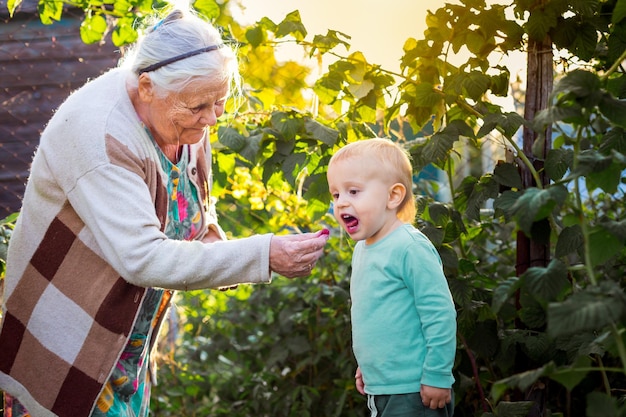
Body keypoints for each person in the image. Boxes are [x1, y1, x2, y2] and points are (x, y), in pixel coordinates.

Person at [0, 8, 329, 417]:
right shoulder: (99, 135)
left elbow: (185, 198)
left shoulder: (182, 113)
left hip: (125, 342)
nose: (211, 120)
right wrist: (263, 255)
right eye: (199, 107)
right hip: (70, 342)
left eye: (220, 103)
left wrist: (209, 234)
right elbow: (141, 256)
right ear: (147, 87)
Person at [326, 138, 456, 417]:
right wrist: (370, 366)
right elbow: (376, 317)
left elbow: (440, 315)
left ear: (393, 196)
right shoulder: (363, 248)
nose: (341, 202)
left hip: (415, 389)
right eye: (336, 195)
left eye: (353, 191)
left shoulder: (409, 247)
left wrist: (437, 374)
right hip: (382, 386)